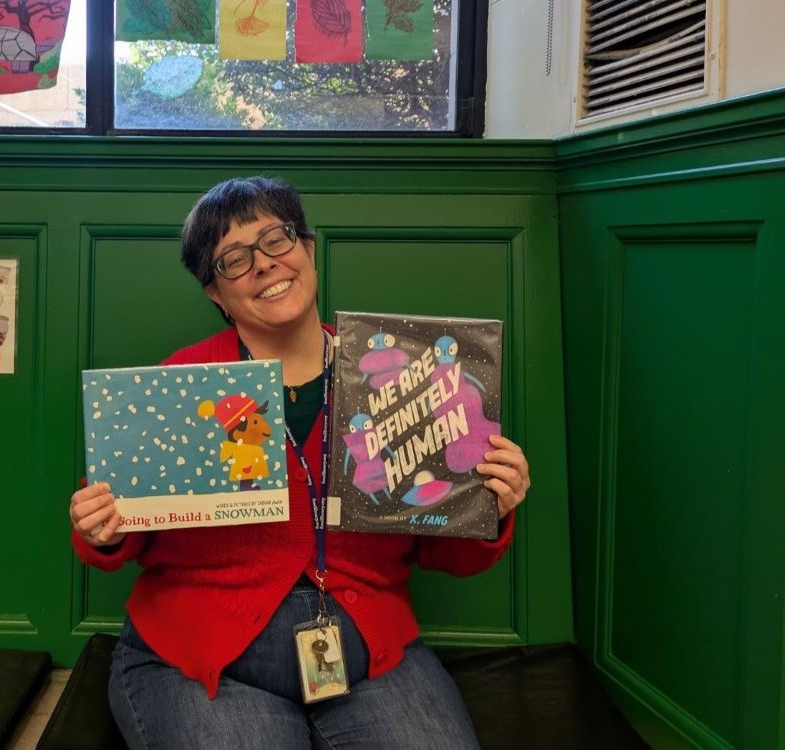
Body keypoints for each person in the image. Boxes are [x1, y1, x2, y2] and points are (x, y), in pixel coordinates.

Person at [69, 176, 531, 749]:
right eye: (233, 259)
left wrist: (490, 502)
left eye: (276, 240)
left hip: (371, 655)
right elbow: (116, 538)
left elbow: (446, 552)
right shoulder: (180, 386)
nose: (263, 264)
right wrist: (102, 528)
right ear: (215, 292)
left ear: (307, 249)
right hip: (202, 659)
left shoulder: (401, 377)